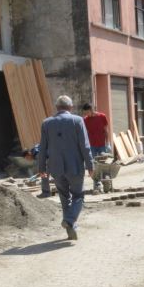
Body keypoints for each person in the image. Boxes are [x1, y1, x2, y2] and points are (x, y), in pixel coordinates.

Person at [37, 95, 94, 241]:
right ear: (70, 107)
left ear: (57, 107)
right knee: (78, 195)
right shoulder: (77, 120)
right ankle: (69, 220)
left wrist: (41, 168)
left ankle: (71, 227)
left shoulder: (46, 123)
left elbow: (42, 148)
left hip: (55, 168)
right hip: (75, 166)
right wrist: (90, 166)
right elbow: (85, 146)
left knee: (64, 197)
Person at [81, 102, 110, 192]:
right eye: (84, 113)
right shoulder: (85, 120)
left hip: (102, 145)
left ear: (91, 110)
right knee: (93, 166)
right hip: (91, 146)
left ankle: (105, 182)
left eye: (87, 112)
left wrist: (108, 143)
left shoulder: (102, 117)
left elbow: (106, 130)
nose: (86, 115)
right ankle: (96, 185)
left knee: (102, 164)